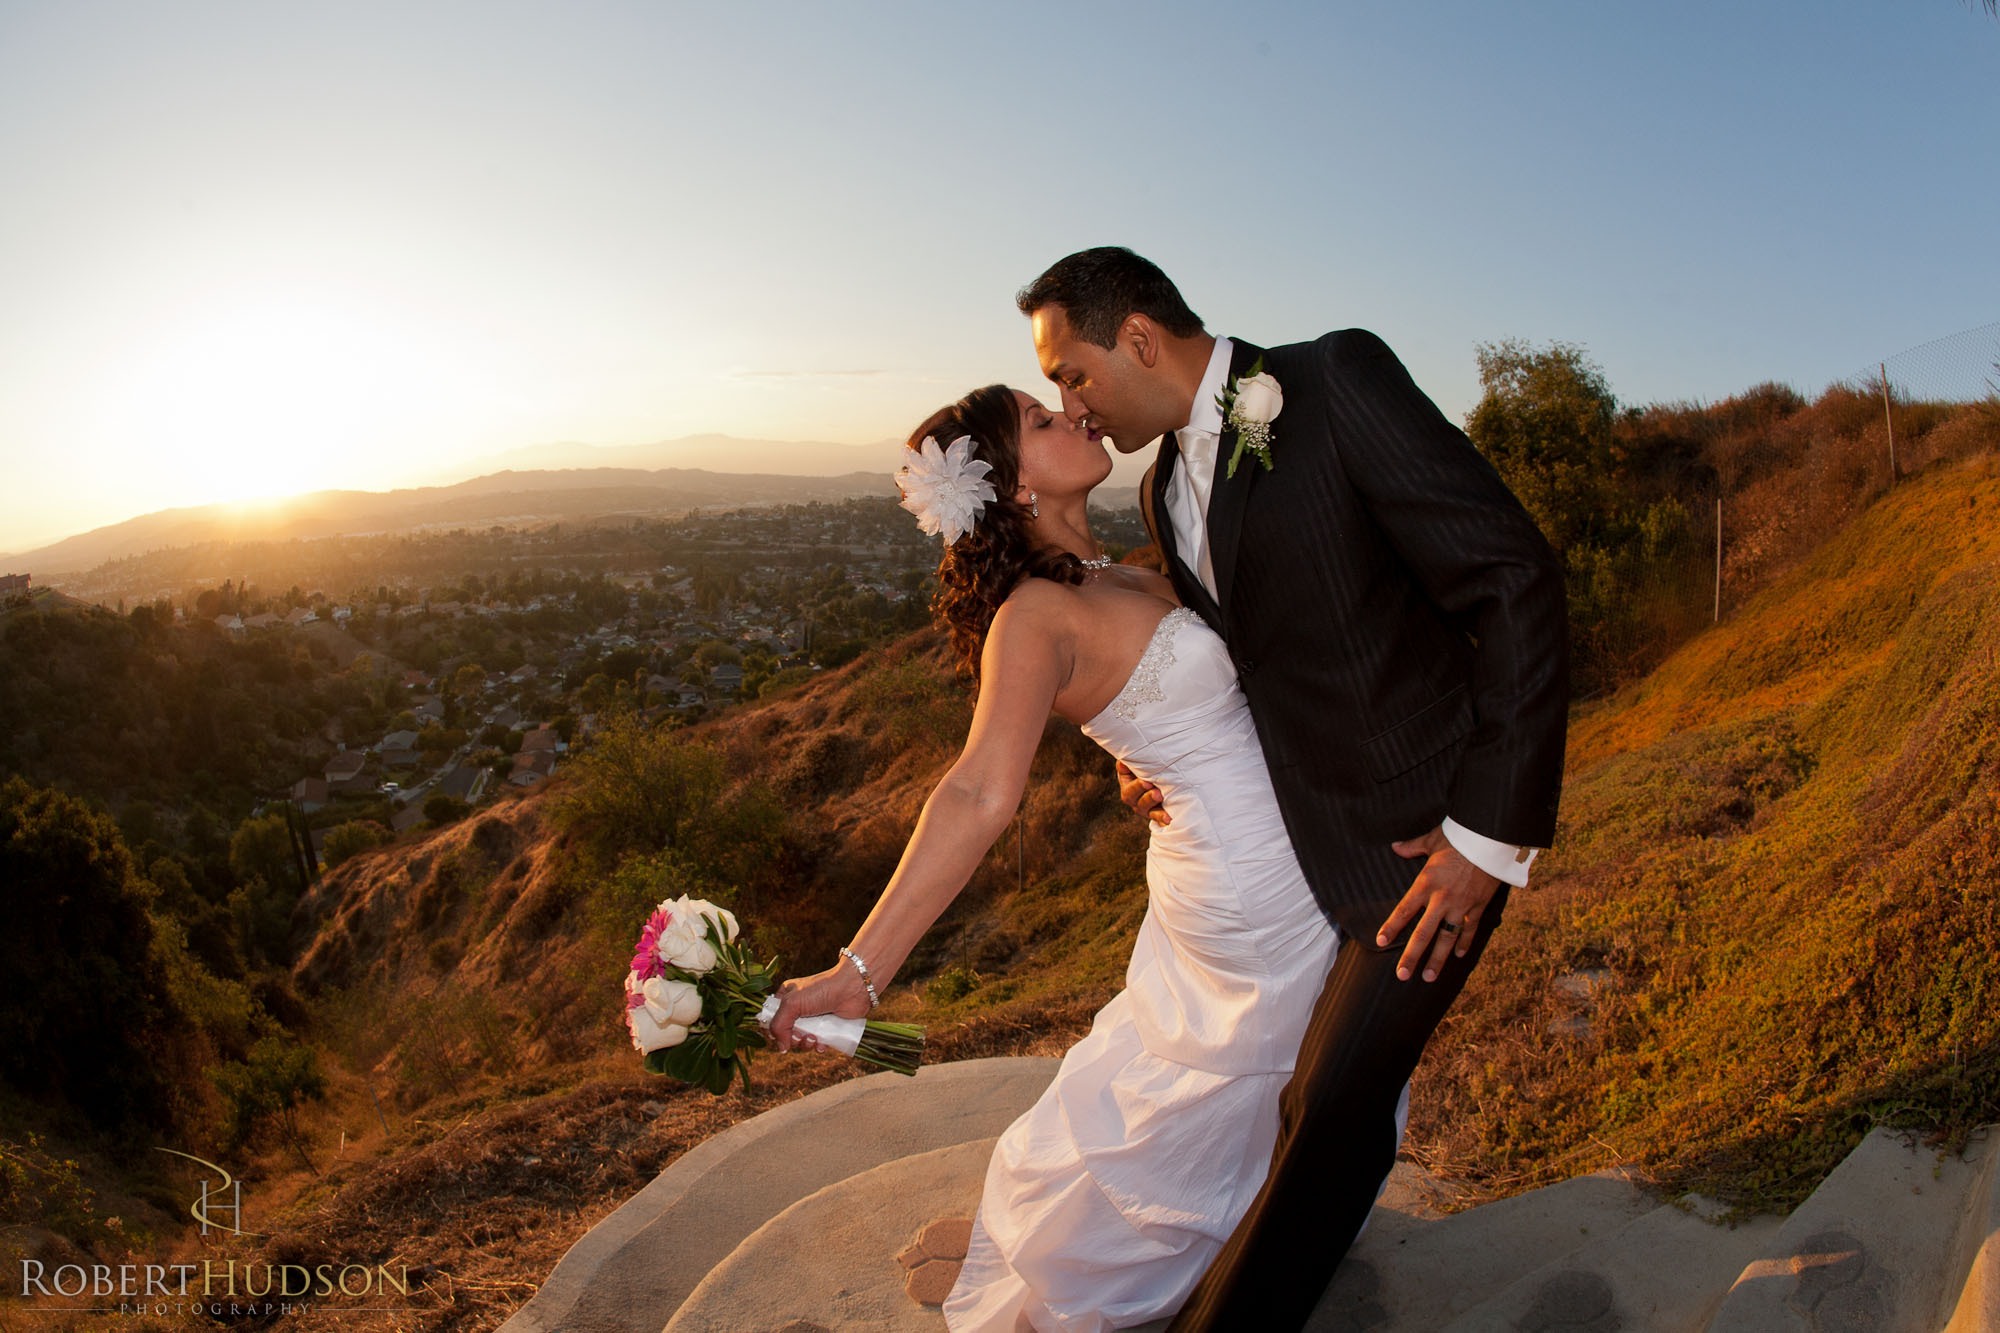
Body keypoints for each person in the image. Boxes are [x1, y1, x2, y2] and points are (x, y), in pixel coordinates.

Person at [1018, 247, 1570, 1330]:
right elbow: (1245, 658)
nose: (1067, 402)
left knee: (1330, 1107)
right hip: (1298, 861)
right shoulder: (1161, 484)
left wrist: (1485, 837)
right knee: (1298, 1102)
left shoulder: (1332, 382)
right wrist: (1151, 751)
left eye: (1071, 372)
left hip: (1430, 846)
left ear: (1135, 336)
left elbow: (1511, 576)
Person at [768, 383, 1351, 1331]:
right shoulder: (1031, 614)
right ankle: (1115, 1276)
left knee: (1219, 1075)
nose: (1073, 416)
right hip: (1250, 881)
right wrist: (858, 970)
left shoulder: (1121, 566)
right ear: (1015, 490)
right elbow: (975, 791)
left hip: (1250, 848)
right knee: (1218, 1084)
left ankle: (1118, 1245)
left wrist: (1138, 759)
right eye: (1041, 422)